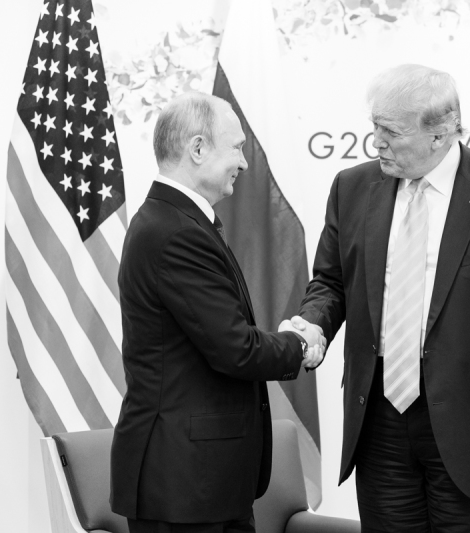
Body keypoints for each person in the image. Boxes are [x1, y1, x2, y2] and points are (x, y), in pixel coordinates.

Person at [289, 64, 470, 531]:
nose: (376, 142)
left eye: (391, 132)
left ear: (440, 134)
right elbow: (331, 282)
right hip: (379, 421)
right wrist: (313, 322)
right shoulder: (352, 187)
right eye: (374, 127)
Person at [110, 92, 324, 533]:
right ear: (197, 148)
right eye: (237, 148)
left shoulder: (177, 222)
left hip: (203, 483)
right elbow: (235, 349)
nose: (243, 163)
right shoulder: (176, 233)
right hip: (185, 486)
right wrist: (300, 345)